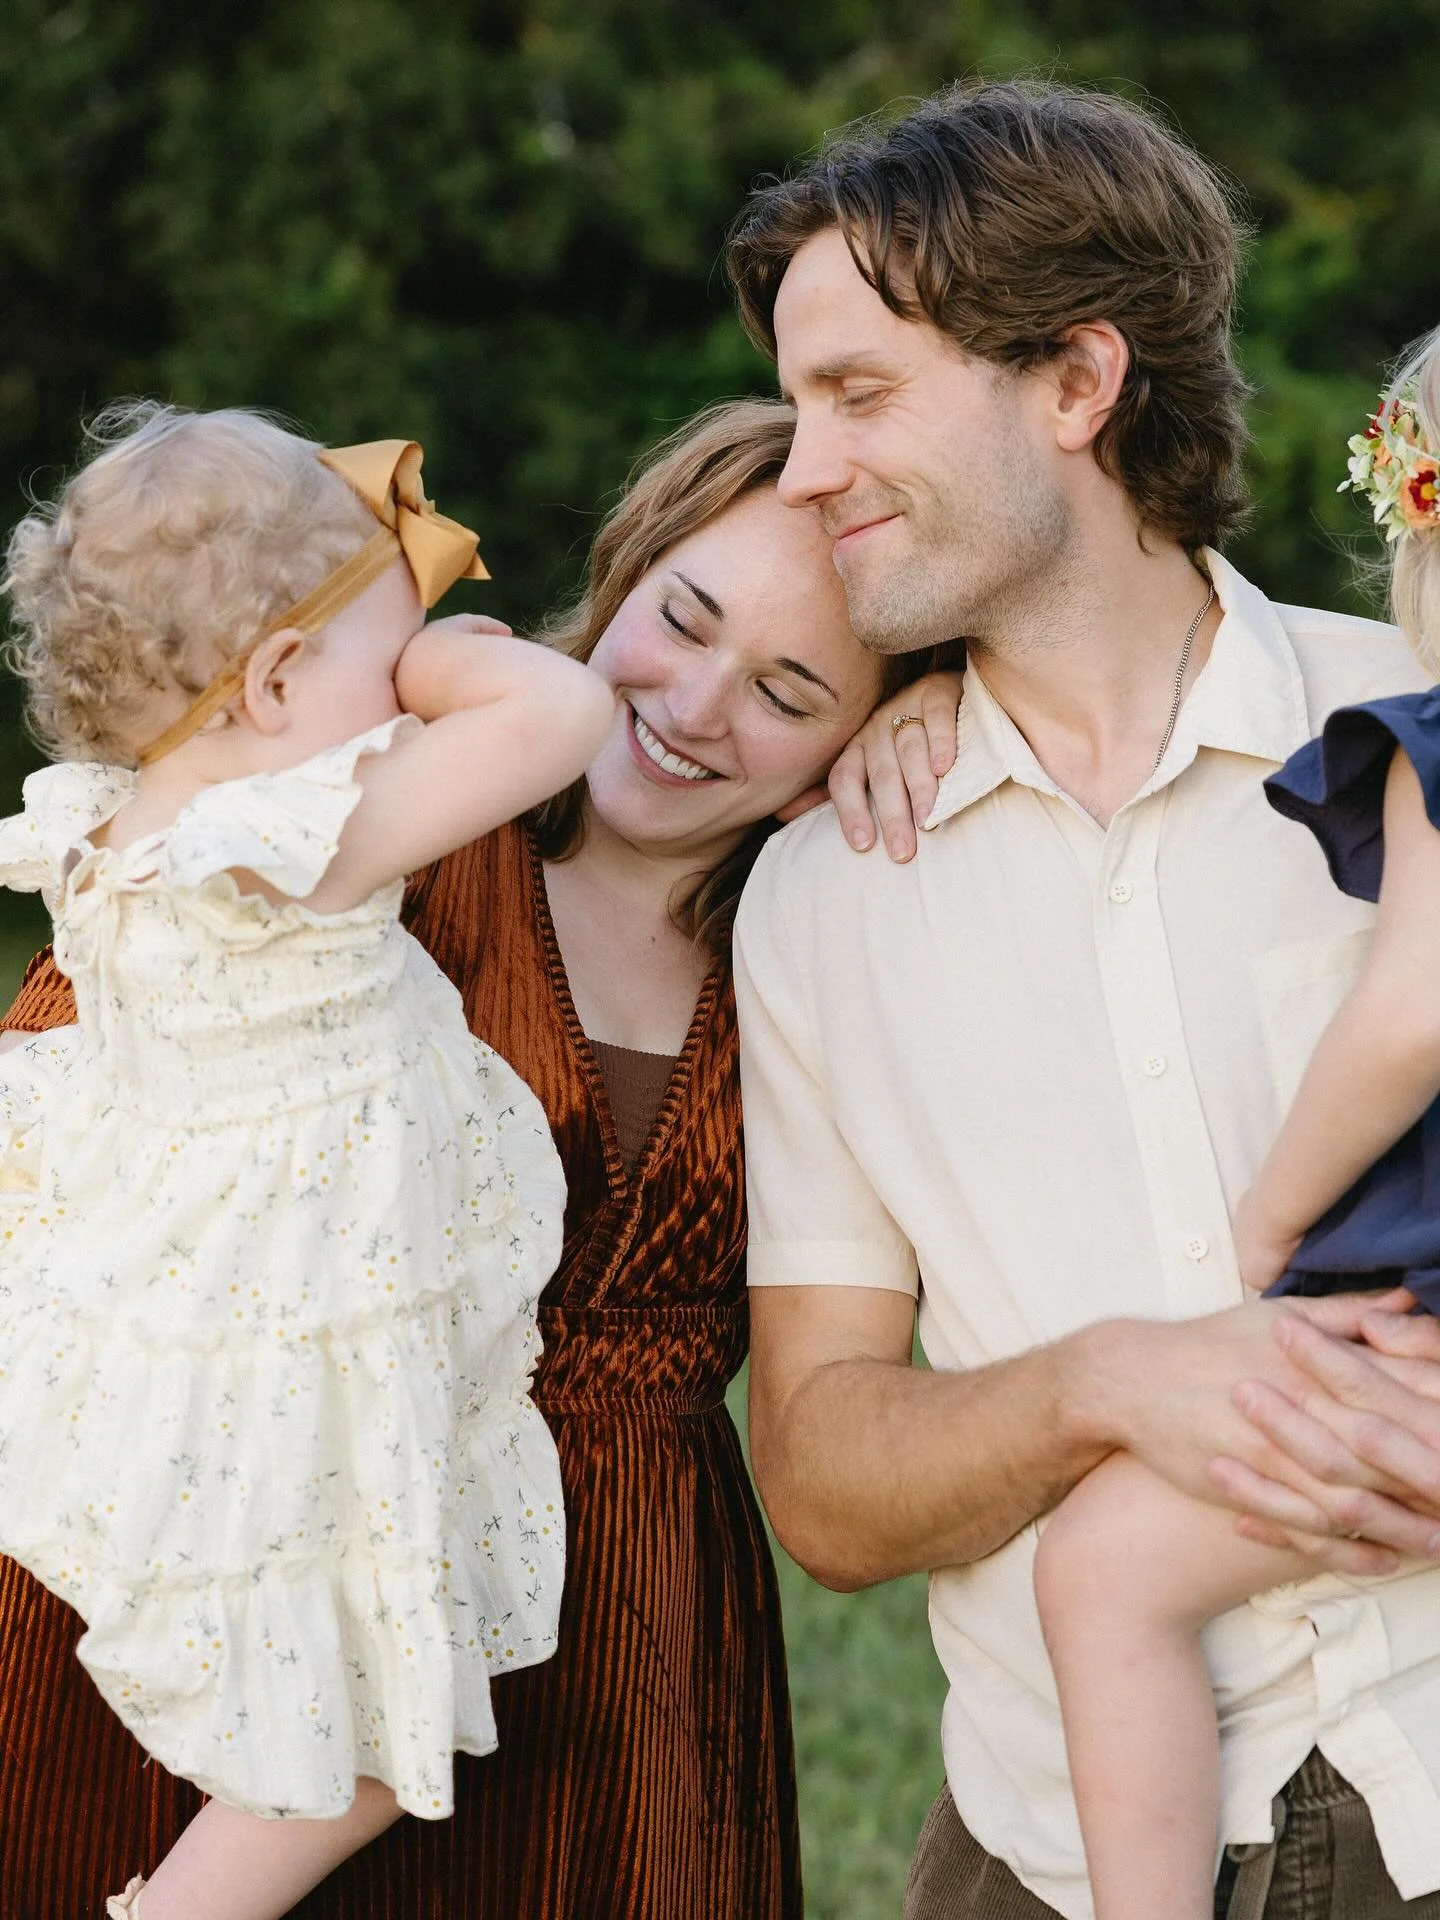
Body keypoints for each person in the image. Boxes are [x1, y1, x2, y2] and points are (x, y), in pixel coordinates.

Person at [0, 396, 953, 1919]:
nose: (699, 706)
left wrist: (961, 726)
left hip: (630, 1644)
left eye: (790, 689)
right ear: (623, 571)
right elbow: (79, 1136)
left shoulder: (847, 924)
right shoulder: (372, 821)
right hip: (279, 1561)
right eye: (683, 619)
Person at [726, 78, 1440, 1920]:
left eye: (859, 396)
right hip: (1051, 1853)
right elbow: (819, 1474)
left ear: (1076, 383)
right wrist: (1110, 1386)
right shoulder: (822, 896)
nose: (801, 468)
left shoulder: (1407, 752)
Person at [0, 403, 614, 1920]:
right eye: (382, 664)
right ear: (277, 680)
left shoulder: (120, 823)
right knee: (342, 1737)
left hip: (191, 1294)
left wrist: (367, 620)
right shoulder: (298, 839)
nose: (405, 704)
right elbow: (559, 715)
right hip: (305, 1315)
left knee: (289, 1672)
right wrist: (425, 650)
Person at [1029, 335, 1440, 1920]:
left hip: (1409, 1326)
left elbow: (1411, 1012)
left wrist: (1274, 1217)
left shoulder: (1432, 747)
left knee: (1102, 1571)